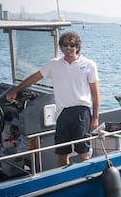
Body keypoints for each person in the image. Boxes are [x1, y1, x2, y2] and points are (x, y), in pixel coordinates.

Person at [6, 31, 100, 166]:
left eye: (72, 45)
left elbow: (95, 93)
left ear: (78, 47)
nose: (69, 48)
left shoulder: (89, 64)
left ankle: (85, 179)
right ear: (61, 47)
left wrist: (95, 117)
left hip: (81, 112)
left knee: (83, 153)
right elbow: (35, 77)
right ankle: (63, 182)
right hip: (62, 113)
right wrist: (15, 90)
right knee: (62, 154)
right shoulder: (54, 64)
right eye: (65, 45)